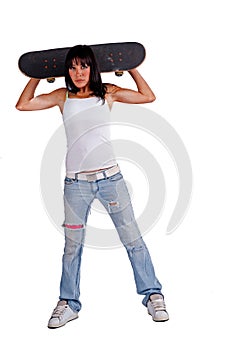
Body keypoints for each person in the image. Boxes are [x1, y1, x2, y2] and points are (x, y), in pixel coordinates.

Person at [16, 44, 169, 328]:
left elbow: (148, 96)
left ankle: (152, 295)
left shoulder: (107, 92)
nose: (78, 73)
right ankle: (69, 303)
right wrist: (37, 73)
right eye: (72, 67)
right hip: (76, 186)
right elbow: (23, 104)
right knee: (72, 247)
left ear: (92, 67)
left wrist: (129, 66)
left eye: (83, 66)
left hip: (111, 181)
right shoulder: (63, 96)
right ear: (67, 71)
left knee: (133, 240)